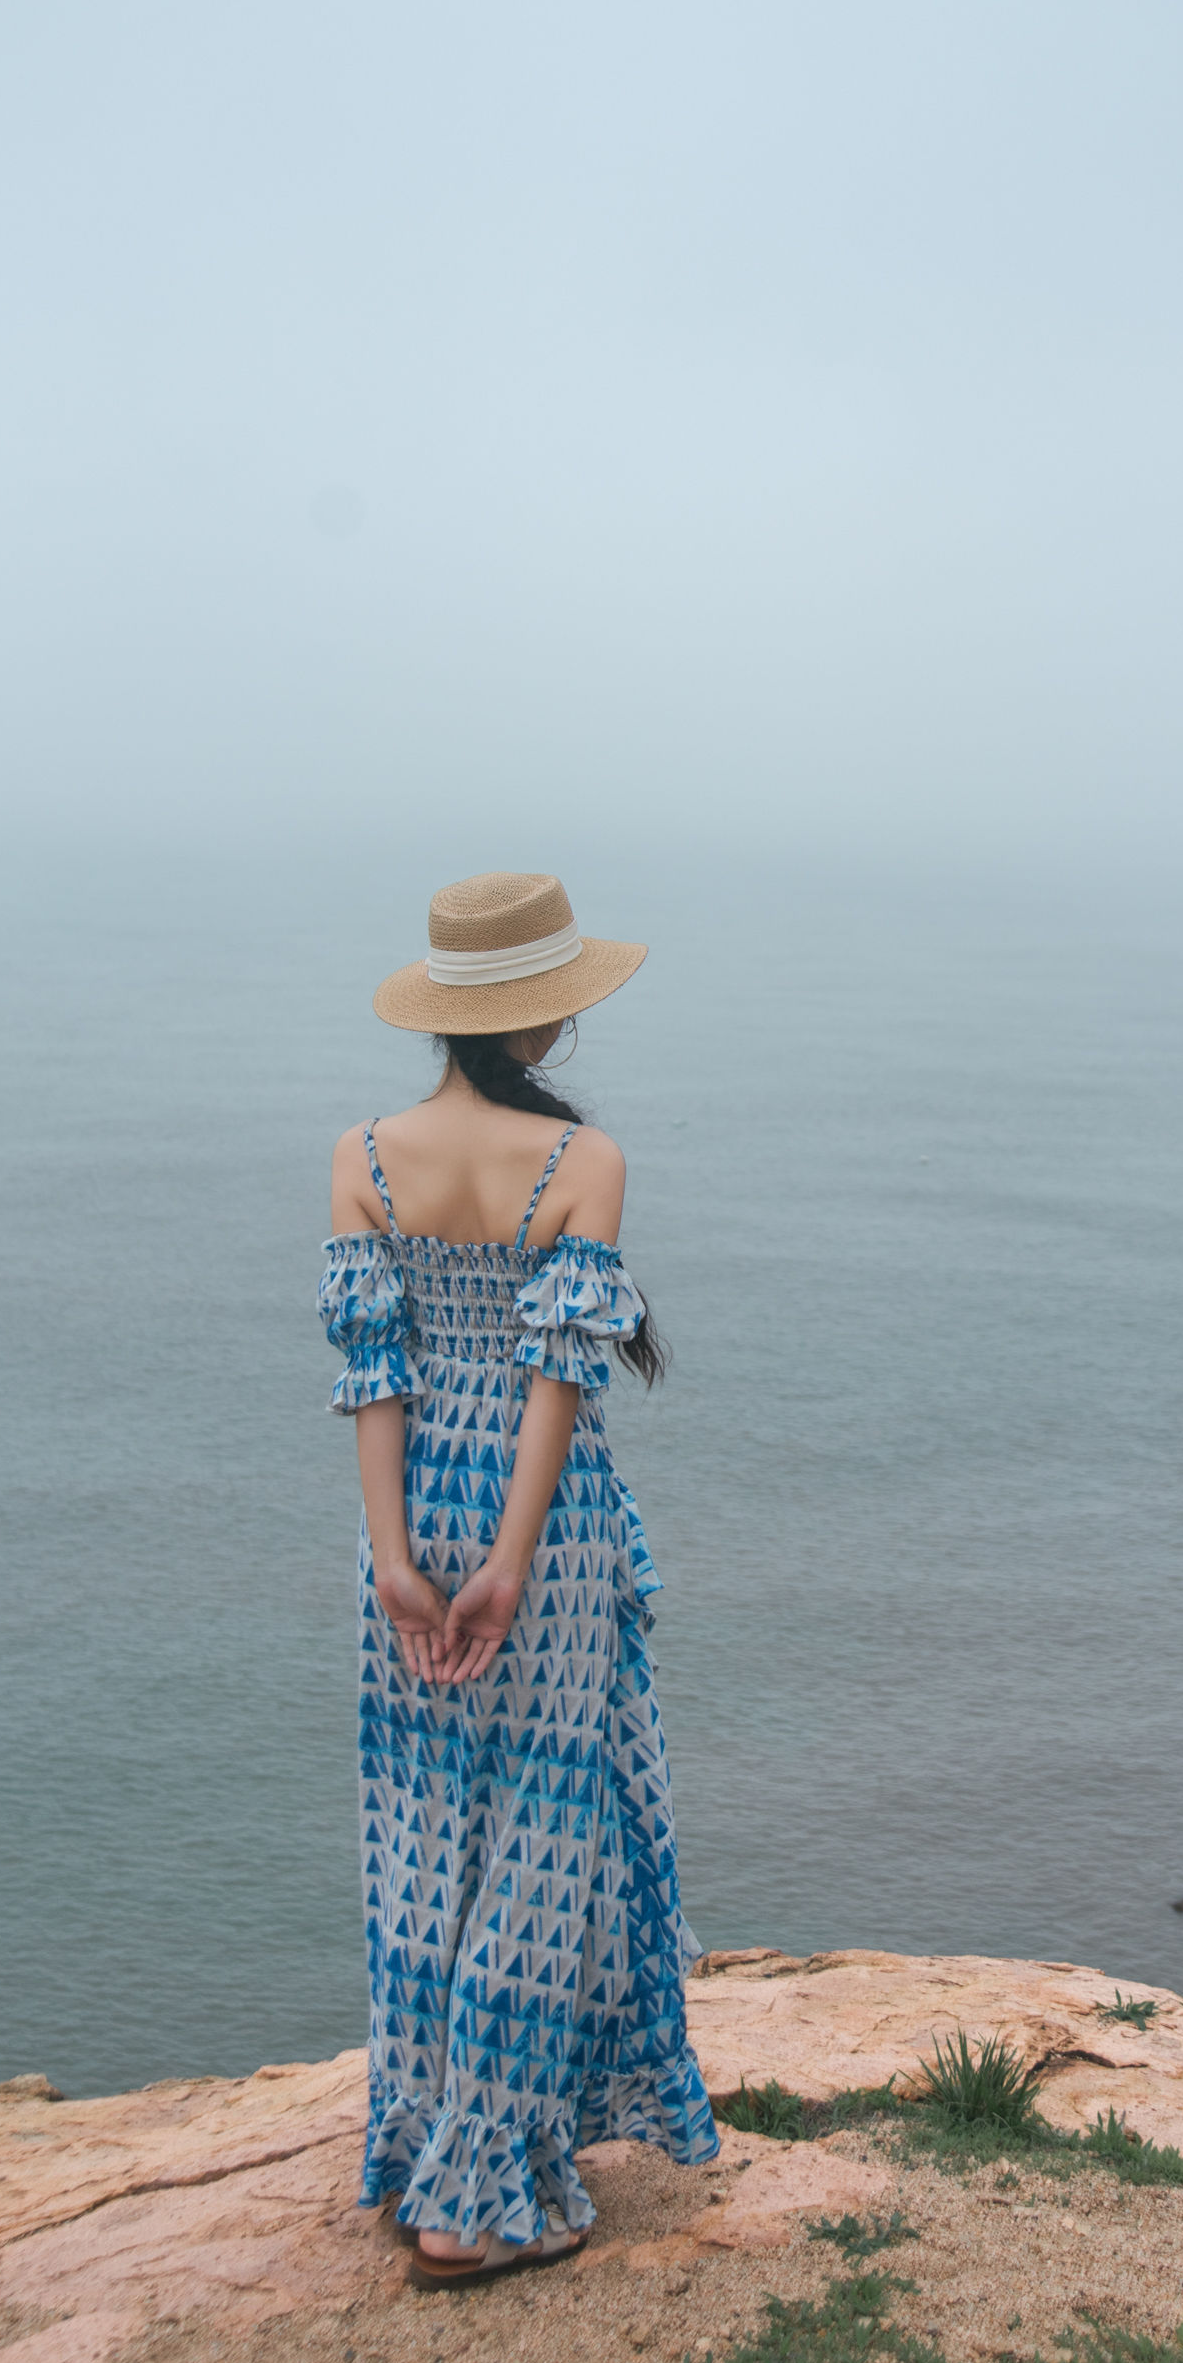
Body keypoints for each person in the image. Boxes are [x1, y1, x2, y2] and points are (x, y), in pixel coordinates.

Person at [319, 870, 719, 2290]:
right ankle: (475, 2196)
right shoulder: (582, 1164)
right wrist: (509, 1562)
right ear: (542, 1016)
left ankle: (424, 2142)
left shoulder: (363, 1153)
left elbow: (373, 1379)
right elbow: (559, 1377)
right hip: (537, 1531)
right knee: (546, 1842)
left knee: (426, 1838)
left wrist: (396, 1565)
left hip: (411, 1504)